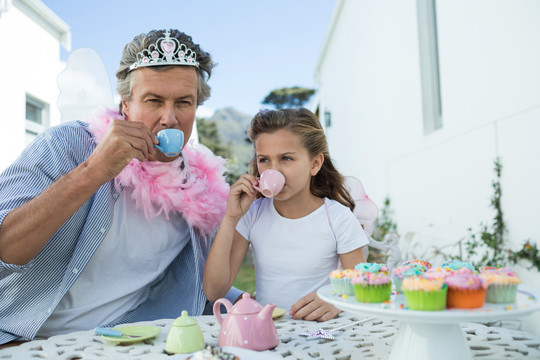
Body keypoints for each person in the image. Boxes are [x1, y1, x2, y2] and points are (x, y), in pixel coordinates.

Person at [0, 29, 241, 345]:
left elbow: (204, 283)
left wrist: (258, 305)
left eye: (184, 102)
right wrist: (93, 172)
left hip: (122, 344)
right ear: (125, 105)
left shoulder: (200, 190)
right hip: (21, 337)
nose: (169, 118)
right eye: (154, 100)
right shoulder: (63, 146)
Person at [203, 108, 369, 322]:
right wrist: (230, 218)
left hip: (321, 332)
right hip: (267, 331)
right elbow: (213, 291)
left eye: (286, 158)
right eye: (264, 160)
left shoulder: (338, 218)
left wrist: (336, 299)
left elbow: (362, 286)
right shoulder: (252, 214)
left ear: (315, 164)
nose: (274, 171)